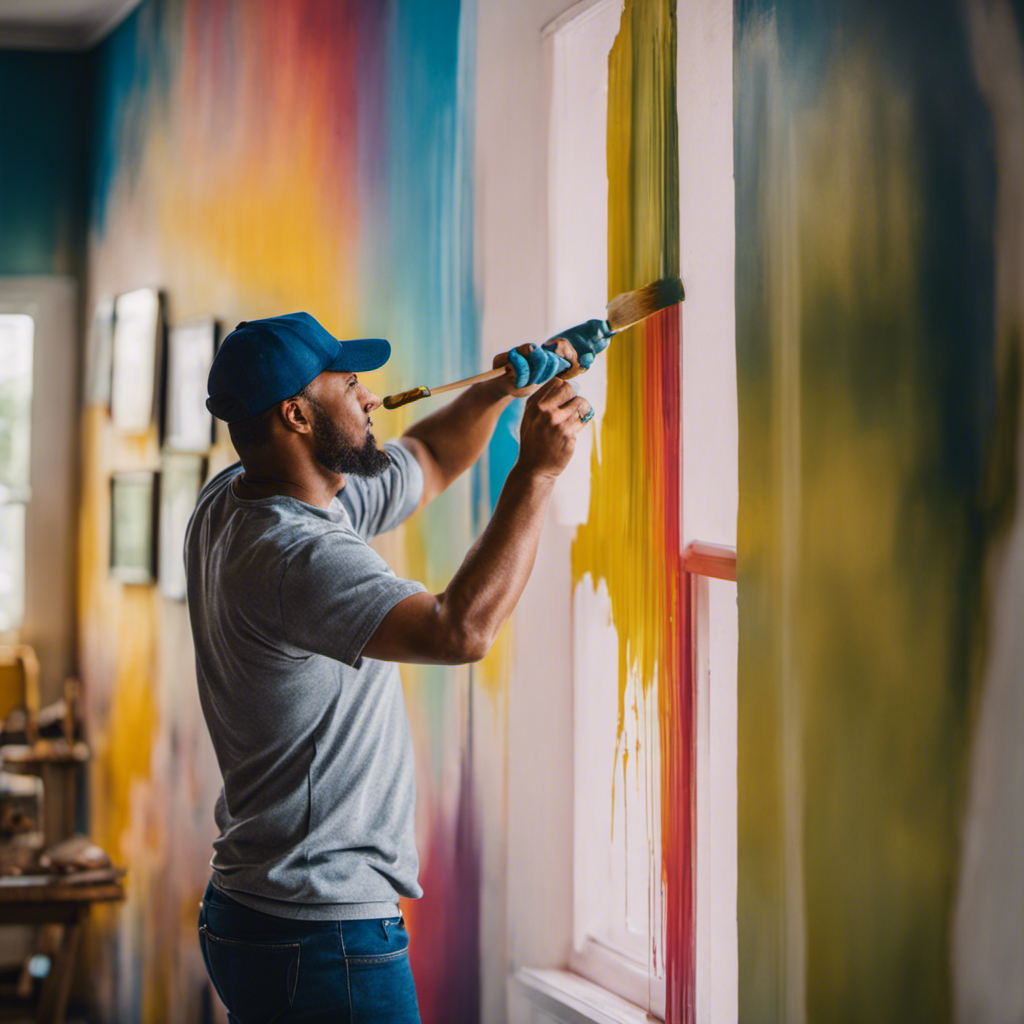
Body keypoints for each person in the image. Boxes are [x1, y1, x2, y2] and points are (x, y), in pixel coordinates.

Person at [185, 311, 610, 1023]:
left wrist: (496, 391)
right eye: (350, 384)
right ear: (295, 414)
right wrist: (536, 473)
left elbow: (431, 460)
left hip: (262, 913)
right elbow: (461, 630)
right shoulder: (296, 557)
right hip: (318, 932)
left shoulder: (241, 495)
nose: (372, 398)